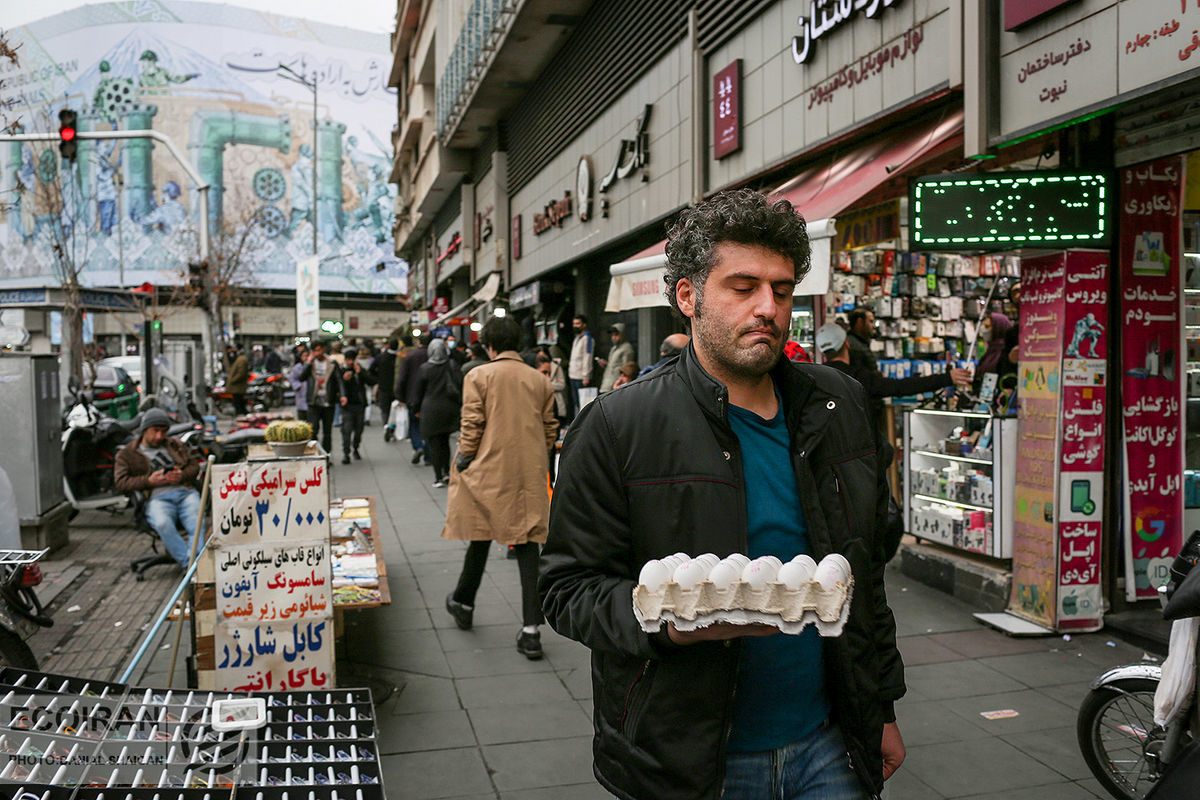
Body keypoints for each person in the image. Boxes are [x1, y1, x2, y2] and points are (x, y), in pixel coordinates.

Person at [541, 189, 906, 800]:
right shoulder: (617, 426)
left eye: (783, 290)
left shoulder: (837, 407)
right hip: (690, 758)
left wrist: (882, 707)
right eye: (744, 287)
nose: (768, 307)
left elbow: (863, 576)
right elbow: (566, 588)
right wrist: (661, 621)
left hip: (830, 742)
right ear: (687, 296)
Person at [443, 316, 558, 660]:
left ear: (489, 345)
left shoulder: (478, 375)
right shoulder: (539, 380)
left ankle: (463, 602)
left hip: (487, 470)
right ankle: (531, 630)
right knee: (526, 548)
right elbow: (550, 428)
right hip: (527, 473)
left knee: (479, 535)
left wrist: (464, 457)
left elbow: (472, 423)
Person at [815, 323, 971, 415]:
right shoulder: (860, 379)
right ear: (847, 343)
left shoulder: (818, 379)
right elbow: (901, 387)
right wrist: (947, 378)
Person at [114, 408, 201, 568]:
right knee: (163, 523)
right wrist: (148, 481)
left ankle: (196, 565)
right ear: (144, 430)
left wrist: (181, 475)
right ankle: (191, 566)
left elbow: (194, 467)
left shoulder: (175, 445)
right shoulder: (127, 454)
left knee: (197, 521)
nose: (159, 436)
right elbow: (121, 483)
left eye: (163, 432)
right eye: (155, 431)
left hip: (185, 493)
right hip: (156, 498)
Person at [413, 339, 463, 487]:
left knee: (434, 443)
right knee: (445, 442)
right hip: (449, 408)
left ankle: (438, 476)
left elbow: (418, 392)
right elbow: (460, 385)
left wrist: (416, 409)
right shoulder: (452, 365)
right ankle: (447, 472)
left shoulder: (424, 368)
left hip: (430, 409)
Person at [327, 348, 374, 465]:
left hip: (360, 405)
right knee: (346, 430)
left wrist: (360, 373)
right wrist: (344, 380)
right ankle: (346, 453)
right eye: (348, 360)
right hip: (347, 406)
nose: (350, 362)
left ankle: (356, 448)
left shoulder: (359, 370)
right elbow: (336, 387)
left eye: (352, 360)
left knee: (359, 430)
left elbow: (372, 381)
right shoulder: (341, 371)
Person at [395, 336, 432, 466]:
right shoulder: (434, 357)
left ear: (419, 343)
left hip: (412, 397)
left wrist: (400, 397)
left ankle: (418, 447)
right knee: (428, 427)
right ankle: (429, 456)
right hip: (430, 397)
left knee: (414, 425)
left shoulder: (409, 357)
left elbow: (402, 378)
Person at [297, 342, 336, 453]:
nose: (317, 353)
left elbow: (338, 381)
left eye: (319, 350)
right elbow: (301, 377)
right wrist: (308, 363)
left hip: (328, 402)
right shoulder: (311, 364)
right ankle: (316, 453)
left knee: (327, 432)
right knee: (313, 430)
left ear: (323, 349)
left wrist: (342, 396)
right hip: (313, 402)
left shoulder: (331, 363)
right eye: (314, 351)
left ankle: (326, 454)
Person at [370, 338, 401, 441]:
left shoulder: (381, 357)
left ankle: (386, 426)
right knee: (396, 410)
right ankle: (392, 429)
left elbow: (371, 370)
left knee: (385, 410)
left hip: (384, 387)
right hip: (397, 388)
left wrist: (378, 379)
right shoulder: (400, 358)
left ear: (388, 345)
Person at [567, 315, 594, 414]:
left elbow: (588, 357)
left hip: (581, 377)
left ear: (584, 325)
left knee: (584, 403)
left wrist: (586, 376)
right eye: (574, 324)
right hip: (573, 375)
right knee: (577, 403)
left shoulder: (587, 338)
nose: (575, 326)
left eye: (578, 323)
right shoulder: (577, 338)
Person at [598, 322, 634, 394]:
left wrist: (621, 384)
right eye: (612, 335)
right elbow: (614, 364)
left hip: (616, 384)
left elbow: (627, 369)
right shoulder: (614, 348)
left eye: (616, 335)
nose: (614, 337)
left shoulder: (627, 348)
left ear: (622, 334)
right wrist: (606, 364)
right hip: (607, 382)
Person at [535, 352, 568, 422]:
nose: (547, 377)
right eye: (544, 372)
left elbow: (561, 385)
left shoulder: (556, 367)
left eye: (548, 373)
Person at [224, 344, 249, 416]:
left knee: (239, 405)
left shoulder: (241, 359)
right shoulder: (238, 359)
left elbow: (241, 373)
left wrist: (233, 380)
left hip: (238, 387)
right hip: (237, 387)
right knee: (239, 404)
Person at [289, 346, 310, 422]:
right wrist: (299, 386)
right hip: (301, 395)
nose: (306, 358)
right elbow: (292, 379)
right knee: (302, 420)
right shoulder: (297, 367)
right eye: (304, 356)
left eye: (308, 356)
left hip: (311, 397)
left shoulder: (313, 366)